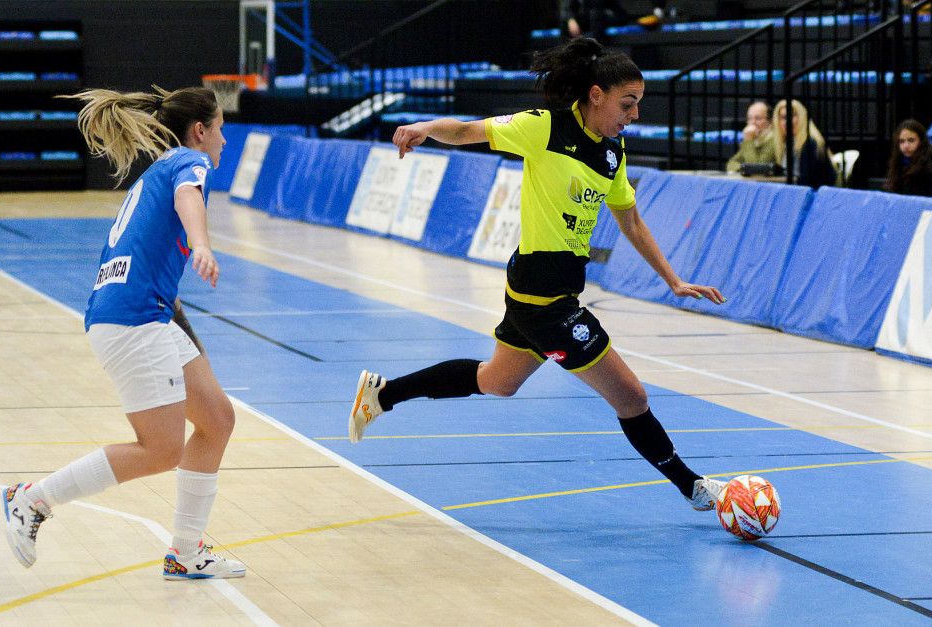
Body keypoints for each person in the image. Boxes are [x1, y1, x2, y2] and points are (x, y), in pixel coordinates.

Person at [350, 37, 728, 513]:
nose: (633, 115)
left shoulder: (612, 152)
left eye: (637, 105)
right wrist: (425, 126)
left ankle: (383, 395)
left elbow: (629, 218)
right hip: (543, 298)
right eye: (626, 104)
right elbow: (468, 131)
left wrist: (672, 280)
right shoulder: (544, 129)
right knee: (630, 394)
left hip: (550, 290)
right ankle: (692, 486)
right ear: (596, 95)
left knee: (497, 381)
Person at [1, 85, 246, 580]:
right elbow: (188, 201)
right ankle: (32, 500)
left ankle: (185, 552)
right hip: (134, 320)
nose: (224, 138)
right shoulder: (187, 164)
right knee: (160, 450)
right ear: (200, 131)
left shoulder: (157, 170)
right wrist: (202, 244)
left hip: (141, 313)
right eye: (220, 128)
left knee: (217, 418)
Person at [772, 99, 838, 188]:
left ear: (802, 118)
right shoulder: (788, 142)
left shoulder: (810, 143)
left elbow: (808, 181)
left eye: (792, 116)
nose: (787, 122)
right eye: (783, 118)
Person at [884, 120, 932, 198]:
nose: (906, 146)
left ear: (921, 141)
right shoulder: (899, 162)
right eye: (901, 141)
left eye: (911, 140)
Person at [726, 101, 777, 173]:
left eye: (758, 118)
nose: (753, 122)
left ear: (770, 121)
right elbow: (731, 163)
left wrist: (748, 140)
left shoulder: (774, 139)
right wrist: (743, 168)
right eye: (749, 118)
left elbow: (756, 169)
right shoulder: (753, 138)